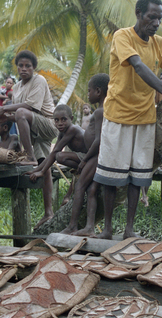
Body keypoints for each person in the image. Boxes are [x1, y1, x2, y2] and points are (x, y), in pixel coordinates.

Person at [93, 0, 162, 240]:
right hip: (118, 115)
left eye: (159, 19)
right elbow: (139, 67)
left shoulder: (159, 43)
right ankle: (108, 229)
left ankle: (129, 230)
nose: (156, 23)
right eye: (151, 17)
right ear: (138, 14)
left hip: (145, 117)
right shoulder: (123, 36)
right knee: (111, 176)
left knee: (137, 175)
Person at [0, 50, 59, 228]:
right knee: (44, 165)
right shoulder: (18, 87)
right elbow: (20, 117)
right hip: (32, 127)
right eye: (20, 66)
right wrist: (5, 117)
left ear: (33, 68)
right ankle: (48, 212)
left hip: (47, 125)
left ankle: (28, 156)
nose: (23, 69)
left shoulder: (39, 80)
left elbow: (28, 108)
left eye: (27, 66)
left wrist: (5, 110)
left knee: (21, 111)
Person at [63, 73, 109, 236]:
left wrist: (85, 160)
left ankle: (72, 226)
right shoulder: (102, 110)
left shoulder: (99, 112)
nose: (87, 95)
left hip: (95, 156)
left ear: (98, 91)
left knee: (80, 186)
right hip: (97, 156)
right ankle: (89, 227)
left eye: (89, 91)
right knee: (91, 190)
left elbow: (98, 140)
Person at [26, 104, 85, 213]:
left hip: (89, 157)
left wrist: (42, 172)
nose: (60, 123)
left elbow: (55, 153)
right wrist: (36, 170)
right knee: (59, 157)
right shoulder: (62, 133)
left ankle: (68, 195)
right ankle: (67, 196)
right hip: (82, 159)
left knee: (60, 156)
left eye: (64, 119)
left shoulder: (72, 129)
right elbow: (52, 153)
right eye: (56, 120)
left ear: (71, 119)